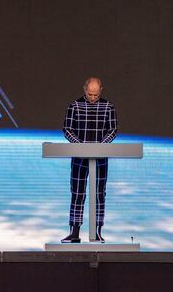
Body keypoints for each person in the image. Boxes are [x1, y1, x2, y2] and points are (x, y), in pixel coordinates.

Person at [60, 77, 118, 243]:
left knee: (99, 194)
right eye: (90, 94)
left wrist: (101, 145)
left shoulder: (108, 107)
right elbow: (67, 129)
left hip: (100, 158)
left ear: (101, 91)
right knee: (77, 193)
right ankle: (74, 232)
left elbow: (113, 130)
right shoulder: (74, 106)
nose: (92, 98)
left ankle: (97, 232)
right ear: (84, 90)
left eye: (96, 95)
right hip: (79, 158)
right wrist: (79, 146)